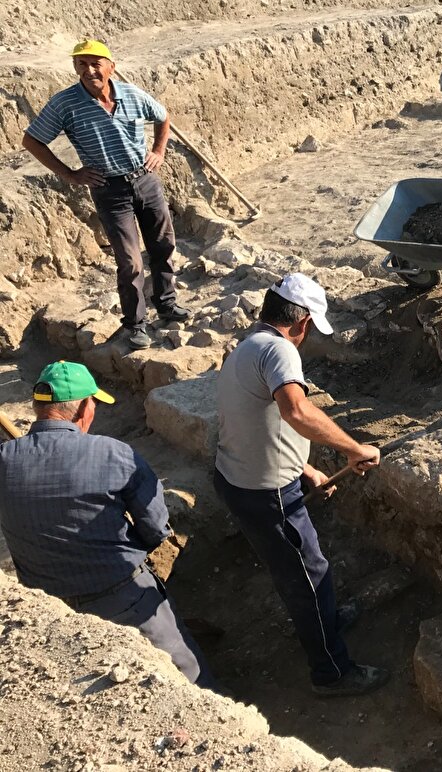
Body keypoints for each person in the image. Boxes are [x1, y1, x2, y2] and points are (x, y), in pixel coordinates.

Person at [213, 272, 388, 697]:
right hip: (265, 493)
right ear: (303, 321)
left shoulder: (248, 347)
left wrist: (304, 470)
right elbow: (295, 411)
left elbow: (258, 422)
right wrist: (352, 449)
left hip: (240, 478)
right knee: (309, 576)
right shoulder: (280, 350)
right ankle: (331, 673)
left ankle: (323, 621)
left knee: (300, 572)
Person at [0, 361, 216, 689]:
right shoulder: (114, 454)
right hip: (123, 597)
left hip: (48, 609)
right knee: (188, 677)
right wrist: (130, 548)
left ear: (37, 407)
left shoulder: (4, 461)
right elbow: (156, 526)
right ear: (86, 406)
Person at [21, 40, 189, 351]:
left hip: (146, 181)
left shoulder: (131, 94)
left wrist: (158, 151)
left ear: (111, 66)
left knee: (163, 244)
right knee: (130, 261)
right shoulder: (65, 104)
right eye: (81, 64)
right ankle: (136, 323)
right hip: (109, 189)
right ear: (75, 69)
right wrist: (69, 174)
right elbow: (32, 140)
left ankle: (166, 305)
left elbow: (162, 117)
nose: (89, 70)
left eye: (95, 63)